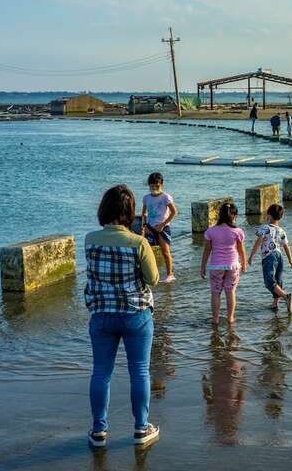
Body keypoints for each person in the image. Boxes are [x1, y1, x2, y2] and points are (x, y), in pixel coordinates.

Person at [85, 184, 161, 448]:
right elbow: (153, 279)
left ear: (104, 209)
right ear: (130, 213)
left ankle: (98, 431)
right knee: (139, 371)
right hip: (135, 314)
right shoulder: (138, 242)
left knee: (101, 372)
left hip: (101, 313)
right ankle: (141, 427)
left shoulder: (90, 239)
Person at [199, 202, 247, 327]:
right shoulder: (238, 231)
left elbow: (207, 250)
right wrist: (244, 263)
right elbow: (241, 250)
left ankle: (215, 319)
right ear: (234, 216)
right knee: (230, 292)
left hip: (216, 266)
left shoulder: (211, 231)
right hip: (233, 266)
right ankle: (230, 318)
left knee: (215, 293)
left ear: (219, 215)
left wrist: (203, 266)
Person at [247, 204, 292, 313]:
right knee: (278, 280)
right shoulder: (282, 230)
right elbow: (286, 246)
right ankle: (275, 304)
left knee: (269, 281)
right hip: (279, 256)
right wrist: (291, 260)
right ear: (281, 217)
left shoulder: (265, 228)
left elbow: (258, 241)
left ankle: (285, 296)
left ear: (268, 215)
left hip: (269, 256)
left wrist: (251, 256)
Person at [140, 172, 177, 282]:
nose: (154, 188)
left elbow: (174, 212)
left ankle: (170, 274)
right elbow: (144, 213)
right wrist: (144, 226)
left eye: (157, 186)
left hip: (163, 228)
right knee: (146, 252)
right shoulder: (146, 198)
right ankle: (148, 275)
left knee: (165, 252)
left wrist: (162, 225)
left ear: (161, 184)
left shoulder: (166, 197)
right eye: (152, 186)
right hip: (150, 228)